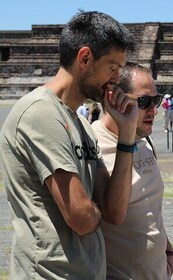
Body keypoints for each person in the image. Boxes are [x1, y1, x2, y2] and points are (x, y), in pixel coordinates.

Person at [0, 11, 137, 279]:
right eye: (112, 67)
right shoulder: (41, 113)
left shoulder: (81, 124)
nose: (117, 78)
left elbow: (115, 211)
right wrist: (92, 208)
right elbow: (82, 218)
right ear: (85, 58)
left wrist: (127, 133)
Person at [91, 62, 173, 279]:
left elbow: (151, 206)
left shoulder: (145, 141)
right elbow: (113, 215)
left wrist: (168, 250)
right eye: (144, 102)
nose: (154, 110)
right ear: (114, 98)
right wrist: (126, 136)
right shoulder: (91, 146)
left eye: (155, 100)